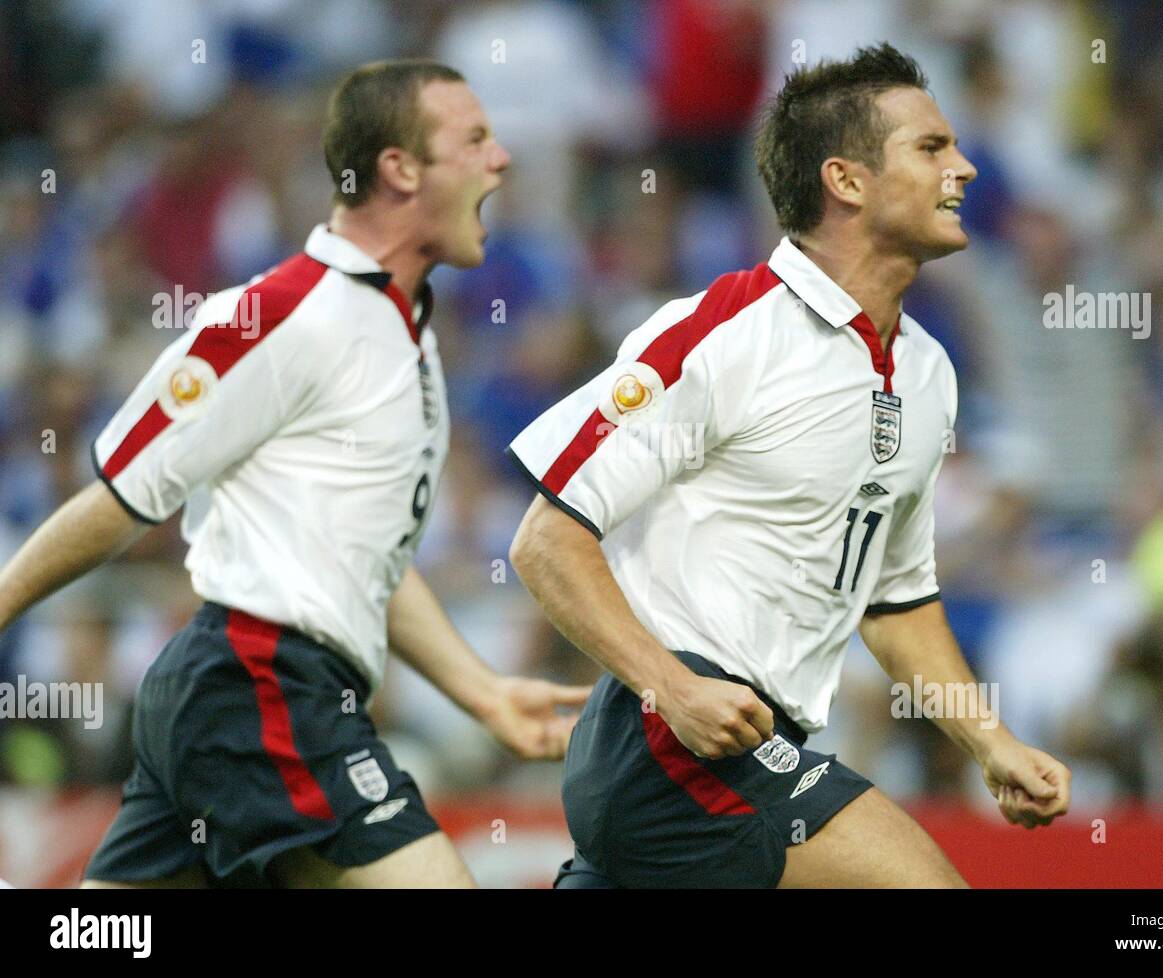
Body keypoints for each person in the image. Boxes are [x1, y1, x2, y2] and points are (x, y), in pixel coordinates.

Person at [0, 59, 589, 888]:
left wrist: (482, 693)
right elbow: (124, 499)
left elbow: (368, 564)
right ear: (399, 168)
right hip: (260, 684)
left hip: (237, 693)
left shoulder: (405, 333)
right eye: (476, 139)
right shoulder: (288, 312)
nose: (501, 160)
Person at [507, 44, 1071, 888]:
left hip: (748, 744)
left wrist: (991, 742)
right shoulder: (727, 332)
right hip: (672, 742)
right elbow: (546, 542)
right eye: (930, 148)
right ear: (846, 180)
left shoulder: (926, 373)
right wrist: (674, 690)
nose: (965, 166)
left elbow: (895, 599)